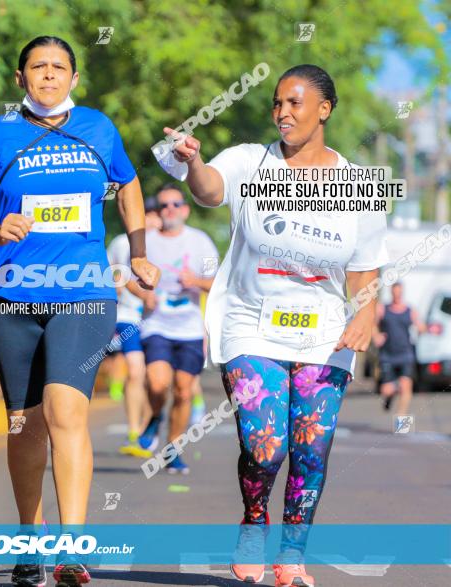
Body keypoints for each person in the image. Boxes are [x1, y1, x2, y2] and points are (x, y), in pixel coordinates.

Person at [0, 36, 159, 587]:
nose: (49, 75)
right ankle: (29, 542)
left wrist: (138, 253)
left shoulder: (98, 129)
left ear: (74, 79)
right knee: (25, 424)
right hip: (10, 298)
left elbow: (128, 183)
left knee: (66, 411)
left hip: (83, 292)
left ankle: (72, 549)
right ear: (21, 79)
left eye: (60, 67)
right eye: (38, 67)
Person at [158, 64, 388, 587]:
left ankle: (291, 557)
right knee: (265, 446)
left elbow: (365, 268)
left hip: (323, 334)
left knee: (311, 449)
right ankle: (254, 520)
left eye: (295, 104)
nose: (282, 114)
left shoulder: (357, 185)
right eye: (277, 104)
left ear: (324, 110)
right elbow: (210, 191)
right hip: (249, 324)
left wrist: (366, 312)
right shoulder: (249, 162)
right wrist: (192, 162)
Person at [134, 183, 218, 475]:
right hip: (156, 322)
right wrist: (144, 294)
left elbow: (217, 282)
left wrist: (197, 281)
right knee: (157, 383)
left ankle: (173, 449)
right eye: (163, 205)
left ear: (185, 209)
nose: (168, 210)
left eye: (174, 204)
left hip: (190, 328)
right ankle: (156, 415)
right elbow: (126, 277)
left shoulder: (201, 242)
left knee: (183, 391)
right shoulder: (146, 243)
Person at [109, 196, 162, 458]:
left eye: (156, 214)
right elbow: (115, 273)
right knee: (135, 370)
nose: (152, 219)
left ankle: (147, 429)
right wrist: (139, 293)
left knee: (155, 377)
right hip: (129, 316)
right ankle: (134, 432)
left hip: (161, 321)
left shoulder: (169, 244)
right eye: (148, 214)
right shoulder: (121, 243)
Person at [374, 282, 425, 419]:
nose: (397, 295)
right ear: (391, 293)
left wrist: (423, 330)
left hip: (405, 354)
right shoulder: (383, 309)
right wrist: (376, 335)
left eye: (399, 293)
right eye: (394, 293)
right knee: (386, 389)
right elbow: (373, 325)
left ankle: (401, 423)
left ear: (402, 293)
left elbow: (420, 326)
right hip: (387, 355)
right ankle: (389, 397)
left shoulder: (410, 310)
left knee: (406, 387)